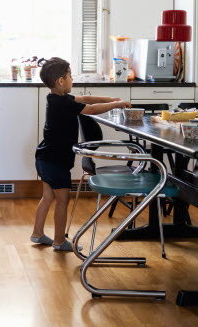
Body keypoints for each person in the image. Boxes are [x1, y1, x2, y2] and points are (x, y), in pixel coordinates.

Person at [31, 57, 131, 251]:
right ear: (61, 81)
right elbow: (90, 109)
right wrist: (116, 106)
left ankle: (37, 233)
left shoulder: (57, 98)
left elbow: (85, 99)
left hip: (45, 157)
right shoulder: (63, 103)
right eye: (70, 76)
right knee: (62, 200)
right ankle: (59, 241)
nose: (72, 79)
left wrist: (111, 100)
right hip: (55, 161)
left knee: (48, 197)